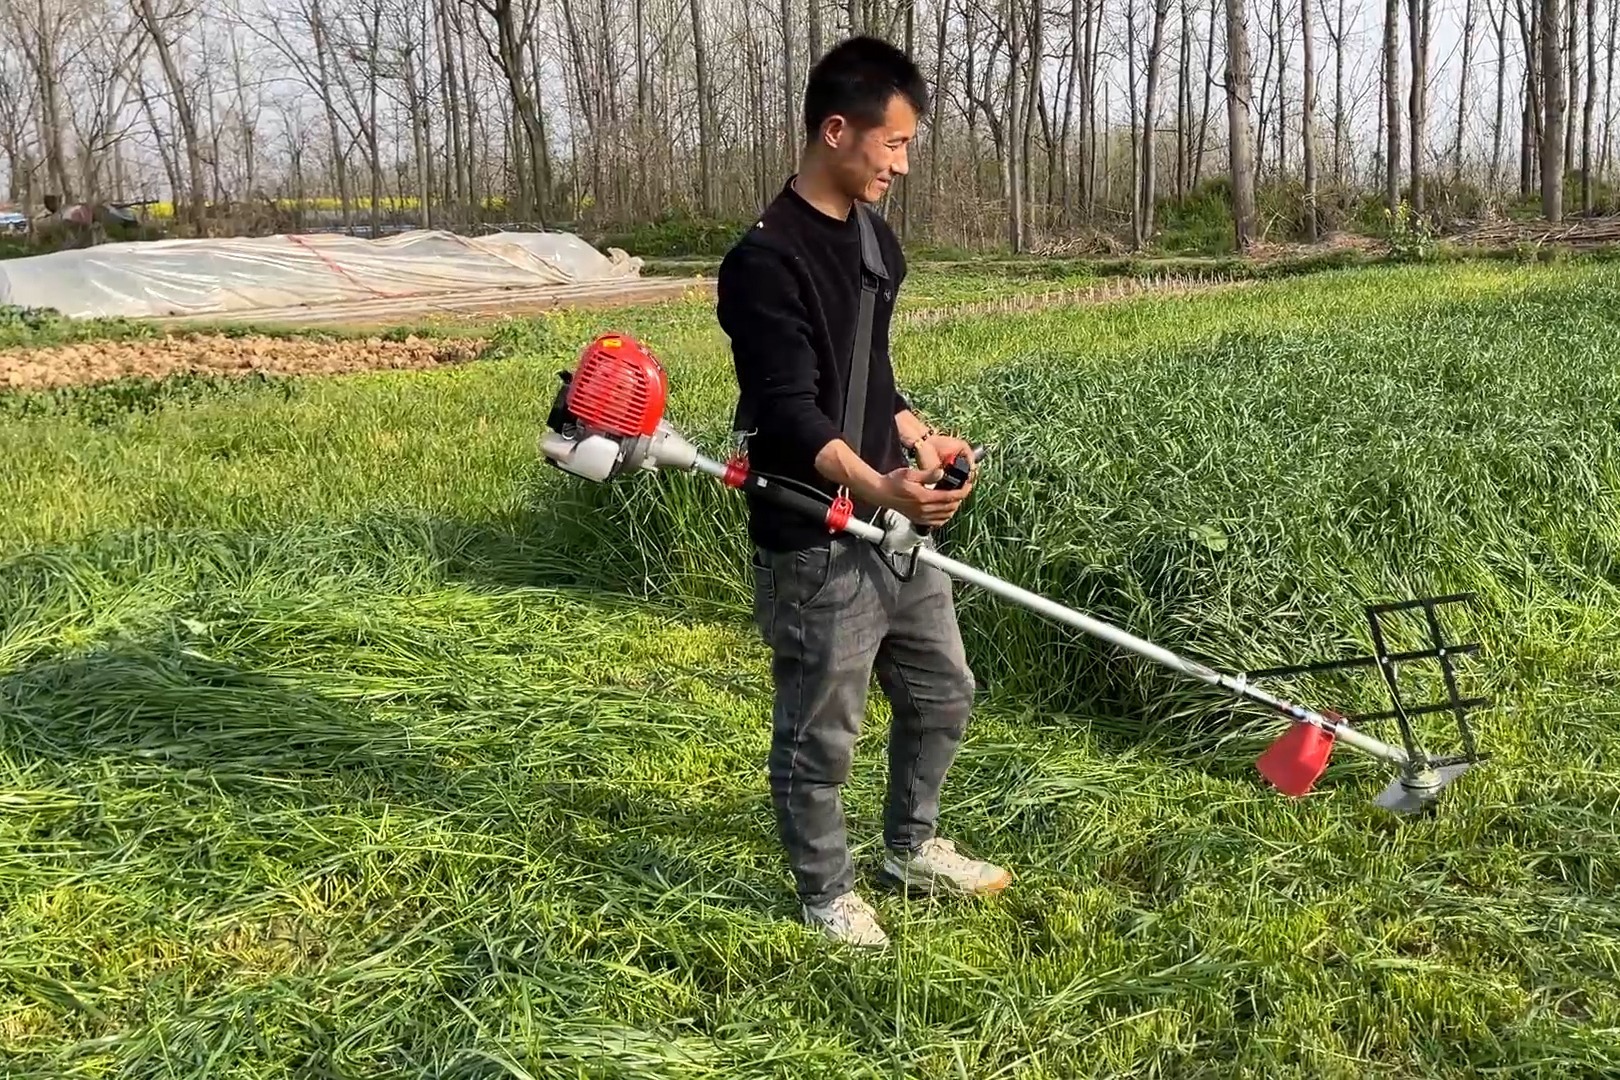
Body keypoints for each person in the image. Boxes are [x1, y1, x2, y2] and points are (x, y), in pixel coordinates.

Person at [715, 35, 1012, 949]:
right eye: (893, 144)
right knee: (821, 730)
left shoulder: (877, 240)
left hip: (886, 514)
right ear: (836, 130)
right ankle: (824, 894)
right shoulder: (765, 263)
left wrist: (919, 436)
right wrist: (880, 483)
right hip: (814, 528)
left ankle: (910, 847)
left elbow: (868, 372)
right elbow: (793, 416)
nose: (903, 163)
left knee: (943, 690)